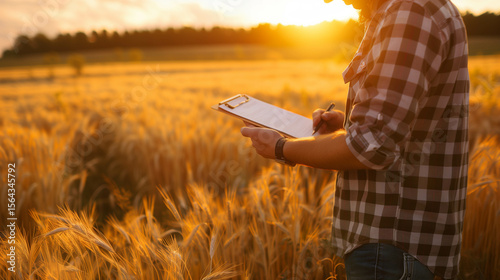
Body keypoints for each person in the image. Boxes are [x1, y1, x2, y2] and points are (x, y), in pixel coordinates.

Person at [240, 0, 469, 279]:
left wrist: (281, 147)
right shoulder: (414, 11)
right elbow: (394, 128)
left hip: (392, 246)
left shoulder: (410, 13)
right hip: (399, 247)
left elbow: (371, 147)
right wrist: (346, 127)